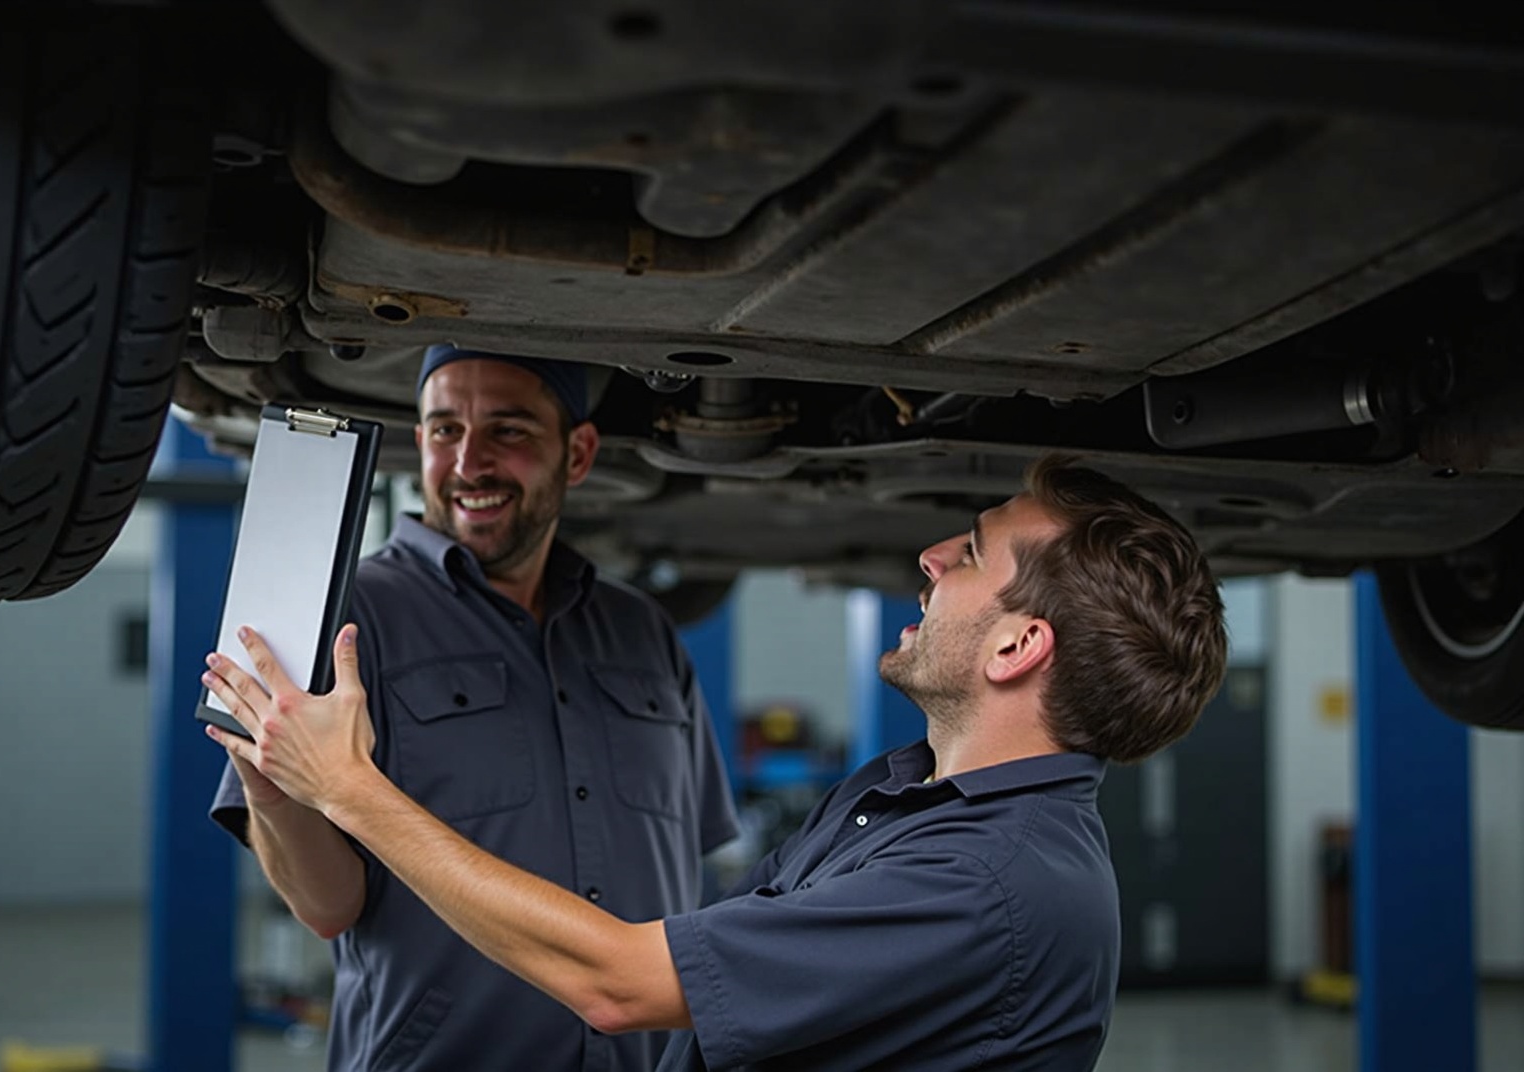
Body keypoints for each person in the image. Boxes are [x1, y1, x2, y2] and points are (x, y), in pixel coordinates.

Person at [203, 455, 1229, 1071]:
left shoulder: (990, 880)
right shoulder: (905, 800)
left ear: (1018, 647)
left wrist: (352, 789)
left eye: (968, 552)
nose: (930, 558)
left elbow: (618, 981)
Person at [208, 343, 741, 1071]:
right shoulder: (346, 619)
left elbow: (689, 877)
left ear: (577, 453)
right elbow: (327, 909)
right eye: (444, 430)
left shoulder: (641, 629)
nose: (468, 464)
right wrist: (272, 790)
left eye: (509, 431)